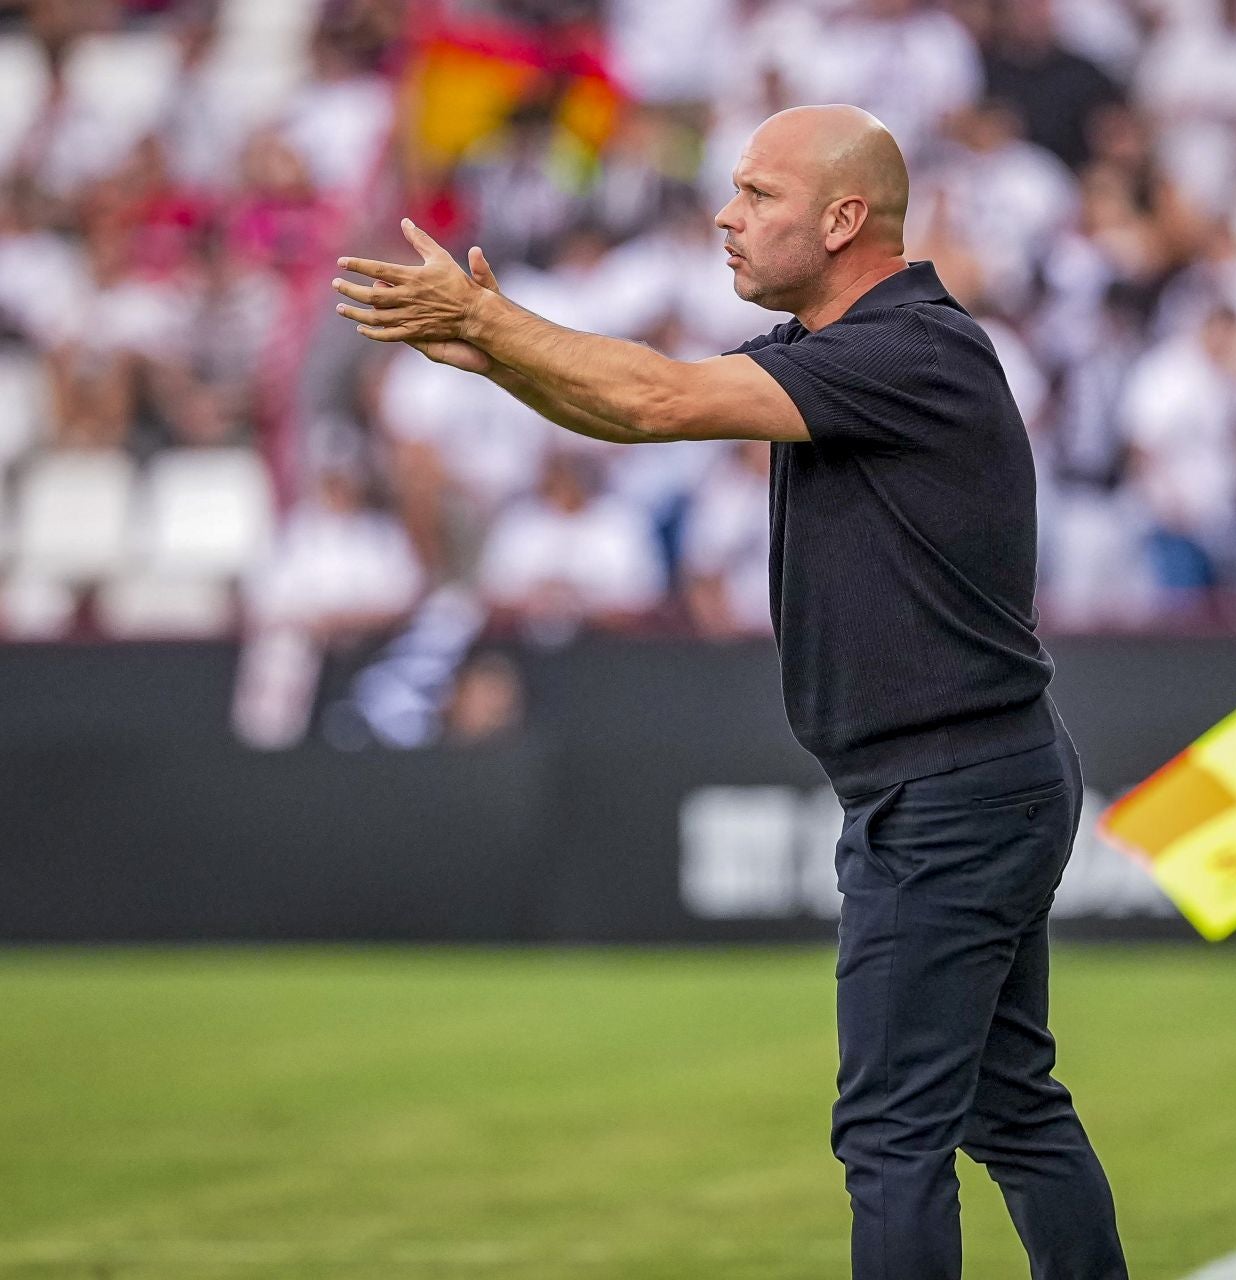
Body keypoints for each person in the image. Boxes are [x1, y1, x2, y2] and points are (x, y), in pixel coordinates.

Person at [331, 104, 1128, 1280]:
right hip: (972, 775)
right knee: (1005, 1103)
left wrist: (492, 318)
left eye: (758, 194)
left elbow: (656, 398)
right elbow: (636, 412)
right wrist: (498, 353)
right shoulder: (855, 350)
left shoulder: (909, 349)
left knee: (892, 1137)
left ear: (846, 217)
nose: (726, 214)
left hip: (947, 790)